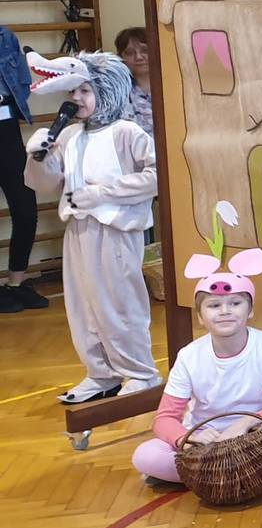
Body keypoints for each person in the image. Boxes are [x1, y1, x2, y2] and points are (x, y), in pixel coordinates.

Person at [22, 51, 159, 403]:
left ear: (107, 90)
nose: (76, 99)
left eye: (85, 91)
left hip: (115, 231)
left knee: (119, 303)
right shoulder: (69, 135)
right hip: (77, 230)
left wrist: (102, 193)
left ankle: (140, 373)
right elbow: (45, 185)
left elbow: (157, 176)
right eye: (73, 92)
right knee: (83, 306)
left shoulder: (127, 132)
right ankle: (101, 373)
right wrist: (37, 158)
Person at [133, 248, 262, 485]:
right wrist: (189, 438)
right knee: (145, 455)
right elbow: (164, 418)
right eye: (214, 306)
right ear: (200, 317)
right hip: (204, 443)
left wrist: (245, 423)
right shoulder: (188, 356)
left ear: (250, 310)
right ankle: (256, 469)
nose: (225, 311)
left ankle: (204, 476)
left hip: (254, 436)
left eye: (235, 303)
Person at [0, 26, 47, 313]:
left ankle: (16, 283)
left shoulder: (5, 37)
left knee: (25, 209)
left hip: (6, 129)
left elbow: (20, 80)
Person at [112, 27, 154, 136]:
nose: (138, 57)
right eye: (130, 53)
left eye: (145, 51)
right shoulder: (116, 92)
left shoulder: (172, 86)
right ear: (121, 58)